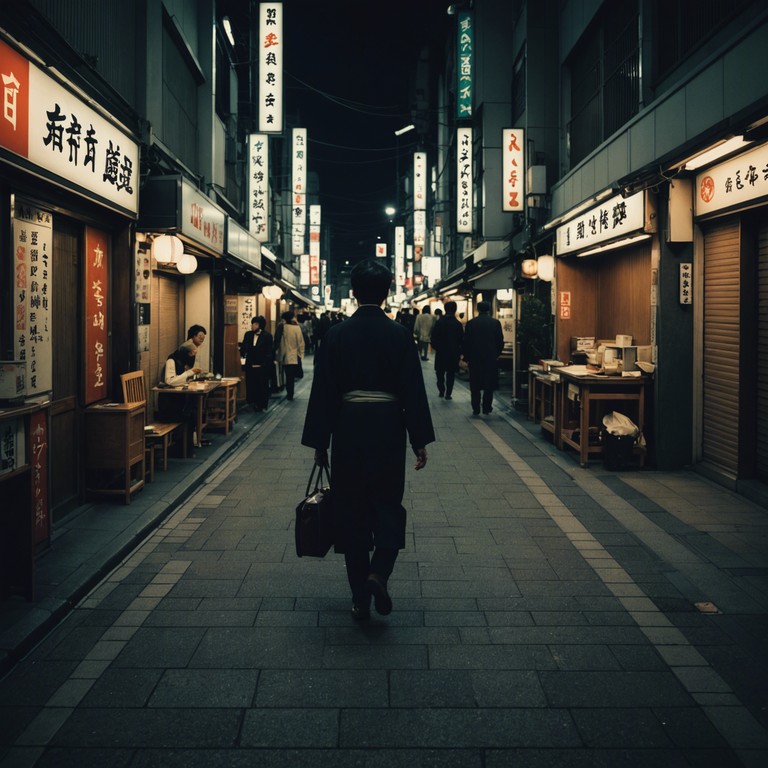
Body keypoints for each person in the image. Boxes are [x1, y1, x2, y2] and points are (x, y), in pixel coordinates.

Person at [302, 259, 435, 621]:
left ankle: (360, 596)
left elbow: (324, 392)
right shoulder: (398, 336)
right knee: (388, 503)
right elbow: (413, 390)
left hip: (348, 430)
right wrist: (418, 439)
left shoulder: (337, 335)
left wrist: (319, 442)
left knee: (352, 510)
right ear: (388, 292)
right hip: (388, 429)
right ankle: (380, 572)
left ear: (354, 293)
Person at [158, 342, 205, 449]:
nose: (192, 357)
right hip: (168, 405)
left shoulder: (181, 361)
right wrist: (189, 373)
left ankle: (188, 446)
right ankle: (182, 448)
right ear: (185, 353)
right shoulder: (172, 361)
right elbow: (170, 381)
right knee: (190, 415)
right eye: (191, 354)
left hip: (177, 401)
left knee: (193, 410)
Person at [461, 300, 504, 416]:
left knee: (475, 384)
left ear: (478, 309)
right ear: (489, 309)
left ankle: (476, 408)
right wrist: (496, 354)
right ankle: (486, 407)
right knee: (488, 385)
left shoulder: (471, 323)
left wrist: (467, 357)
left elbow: (466, 342)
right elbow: (500, 341)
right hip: (490, 358)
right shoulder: (495, 323)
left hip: (475, 358)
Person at [430, 300, 464, 399]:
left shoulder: (439, 322)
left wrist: (437, 348)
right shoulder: (457, 324)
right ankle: (448, 393)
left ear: (445, 309)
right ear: (455, 310)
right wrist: (460, 351)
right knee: (451, 373)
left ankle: (441, 390)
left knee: (440, 372)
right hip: (453, 353)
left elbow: (434, 338)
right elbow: (461, 339)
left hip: (441, 352)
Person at [240, 316, 273, 411]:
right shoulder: (248, 334)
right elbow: (243, 348)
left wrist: (265, 363)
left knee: (262, 386)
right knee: (250, 385)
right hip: (250, 365)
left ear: (258, 325)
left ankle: (261, 405)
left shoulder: (267, 336)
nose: (251, 325)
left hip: (262, 366)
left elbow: (269, 351)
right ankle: (251, 403)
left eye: (253, 324)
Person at [278, 311, 305, 401]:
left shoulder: (282, 328)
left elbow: (279, 343)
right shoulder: (296, 328)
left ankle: (289, 393)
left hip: (285, 355)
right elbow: (301, 343)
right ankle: (290, 394)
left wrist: (279, 356)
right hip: (294, 356)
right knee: (291, 377)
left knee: (287, 375)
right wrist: (300, 354)